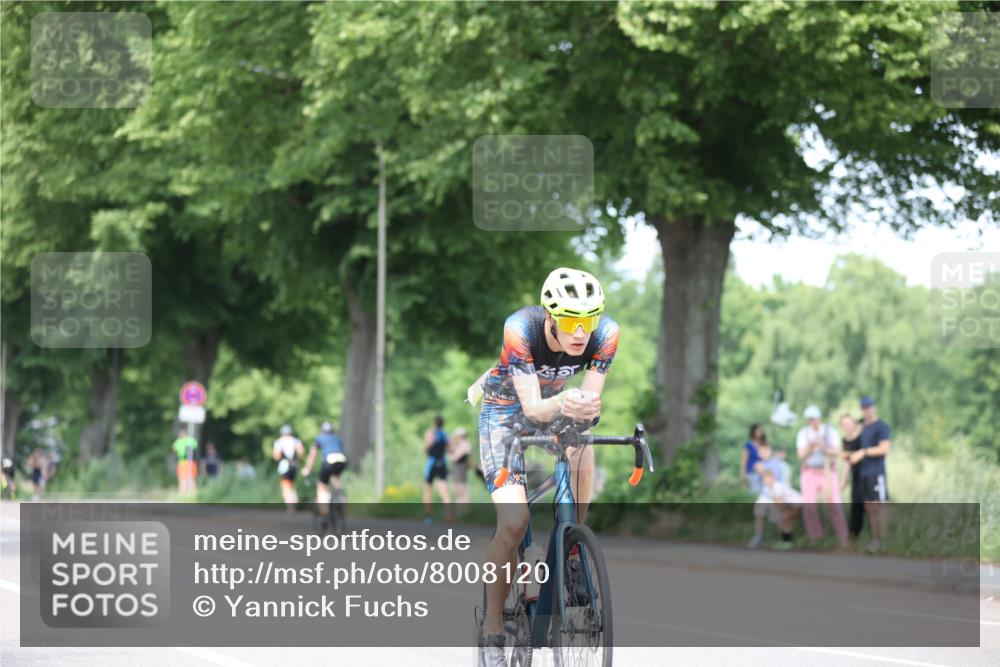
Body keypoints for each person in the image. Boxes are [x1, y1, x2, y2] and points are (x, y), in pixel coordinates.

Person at [469, 267, 619, 665]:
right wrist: (569, 401)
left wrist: (582, 410)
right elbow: (533, 408)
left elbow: (584, 409)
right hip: (505, 411)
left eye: (588, 321)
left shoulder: (606, 335)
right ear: (549, 316)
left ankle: (573, 549)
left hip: (555, 405)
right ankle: (494, 623)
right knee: (514, 523)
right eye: (570, 321)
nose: (580, 333)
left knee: (583, 449)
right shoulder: (520, 328)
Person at [796, 405, 849, 548]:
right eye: (809, 419)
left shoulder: (829, 432)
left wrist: (823, 446)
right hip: (809, 471)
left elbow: (837, 451)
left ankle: (843, 539)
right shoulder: (803, 433)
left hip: (827, 471)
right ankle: (816, 538)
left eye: (813, 419)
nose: (811, 422)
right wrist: (811, 447)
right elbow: (801, 455)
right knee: (809, 507)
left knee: (833, 505)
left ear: (819, 418)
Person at [849, 397, 891, 553]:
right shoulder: (862, 427)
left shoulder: (882, 426)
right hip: (863, 473)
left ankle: (884, 540)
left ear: (874, 407)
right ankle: (875, 540)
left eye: (869, 407)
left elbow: (884, 448)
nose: (867, 410)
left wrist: (864, 452)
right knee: (869, 507)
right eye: (864, 408)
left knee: (879, 506)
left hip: (876, 472)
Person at [747, 440, 793, 548]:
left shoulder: (775, 463)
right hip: (765, 495)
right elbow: (757, 482)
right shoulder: (759, 464)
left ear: (770, 451)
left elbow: (771, 479)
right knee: (759, 514)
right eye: (761, 451)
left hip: (776, 495)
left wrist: (762, 471)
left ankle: (785, 539)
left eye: (765, 450)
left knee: (778, 518)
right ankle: (758, 537)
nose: (763, 453)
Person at [302, 421, 348, 529]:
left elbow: (313, 455)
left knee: (322, 487)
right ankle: (340, 500)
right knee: (336, 479)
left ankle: (324, 514)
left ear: (322, 431)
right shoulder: (337, 438)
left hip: (328, 461)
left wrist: (307, 469)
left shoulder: (319, 438)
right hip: (342, 461)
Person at [754, 468, 804, 550]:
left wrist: (786, 512)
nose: (766, 481)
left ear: (773, 477)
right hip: (792, 505)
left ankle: (787, 542)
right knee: (784, 521)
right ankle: (786, 541)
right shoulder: (771, 489)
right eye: (764, 479)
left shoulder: (776, 487)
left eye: (768, 478)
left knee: (784, 520)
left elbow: (781, 503)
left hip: (797, 505)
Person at [422, 416, 453, 524]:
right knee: (444, 490)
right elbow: (450, 450)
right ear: (443, 424)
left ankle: (428, 517)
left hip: (432, 463)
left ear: (434, 423)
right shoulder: (445, 435)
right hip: (442, 463)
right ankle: (448, 514)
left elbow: (427, 448)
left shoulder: (430, 433)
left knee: (427, 490)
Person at [839, 413, 865, 539]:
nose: (847, 426)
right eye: (844, 424)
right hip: (855, 475)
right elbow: (847, 463)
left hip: (866, 472)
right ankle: (854, 534)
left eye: (849, 423)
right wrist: (843, 481)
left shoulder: (863, 436)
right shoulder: (845, 440)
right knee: (855, 504)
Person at [272, 424, 304, 513]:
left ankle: (290, 505)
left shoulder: (279, 442)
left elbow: (276, 456)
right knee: (291, 484)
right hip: (294, 465)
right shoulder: (296, 441)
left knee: (285, 485)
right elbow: (301, 452)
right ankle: (294, 499)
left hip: (284, 466)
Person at [449, 426, 472, 510]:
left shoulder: (464, 444)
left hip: (460, 470)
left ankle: (464, 512)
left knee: (462, 492)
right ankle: (460, 512)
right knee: (458, 492)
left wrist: (451, 456)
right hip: (458, 469)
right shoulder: (462, 444)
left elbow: (455, 457)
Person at [171, 428, 198, 494]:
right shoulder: (191, 440)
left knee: (182, 479)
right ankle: (193, 493)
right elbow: (195, 446)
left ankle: (182, 493)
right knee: (191, 478)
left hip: (182, 462)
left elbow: (174, 449)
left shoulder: (178, 441)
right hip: (191, 461)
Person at [740, 423, 765, 492]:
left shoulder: (764, 445)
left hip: (763, 474)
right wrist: (743, 475)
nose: (760, 432)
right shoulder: (748, 445)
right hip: (752, 473)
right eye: (758, 430)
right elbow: (744, 461)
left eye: (761, 430)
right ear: (753, 432)